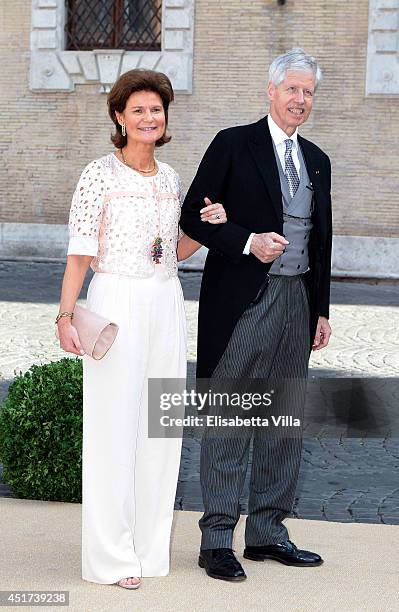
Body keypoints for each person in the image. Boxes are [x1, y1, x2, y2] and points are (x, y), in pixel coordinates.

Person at [56, 69, 227, 590]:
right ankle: (112, 557)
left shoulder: (173, 180)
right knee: (113, 430)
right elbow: (80, 255)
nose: (149, 118)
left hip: (165, 301)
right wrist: (65, 317)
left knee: (160, 428)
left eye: (156, 109)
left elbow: (170, 252)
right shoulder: (98, 175)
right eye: (138, 110)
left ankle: (149, 549)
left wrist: (205, 231)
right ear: (119, 117)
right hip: (115, 302)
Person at [180, 49, 332, 581]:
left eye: (308, 92)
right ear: (270, 91)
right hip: (243, 302)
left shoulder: (317, 159)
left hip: (297, 302)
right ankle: (217, 539)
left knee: (282, 421)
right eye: (292, 89)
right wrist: (245, 241)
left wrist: (320, 310)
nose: (300, 100)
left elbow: (321, 242)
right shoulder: (232, 144)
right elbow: (191, 217)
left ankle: (268, 534)